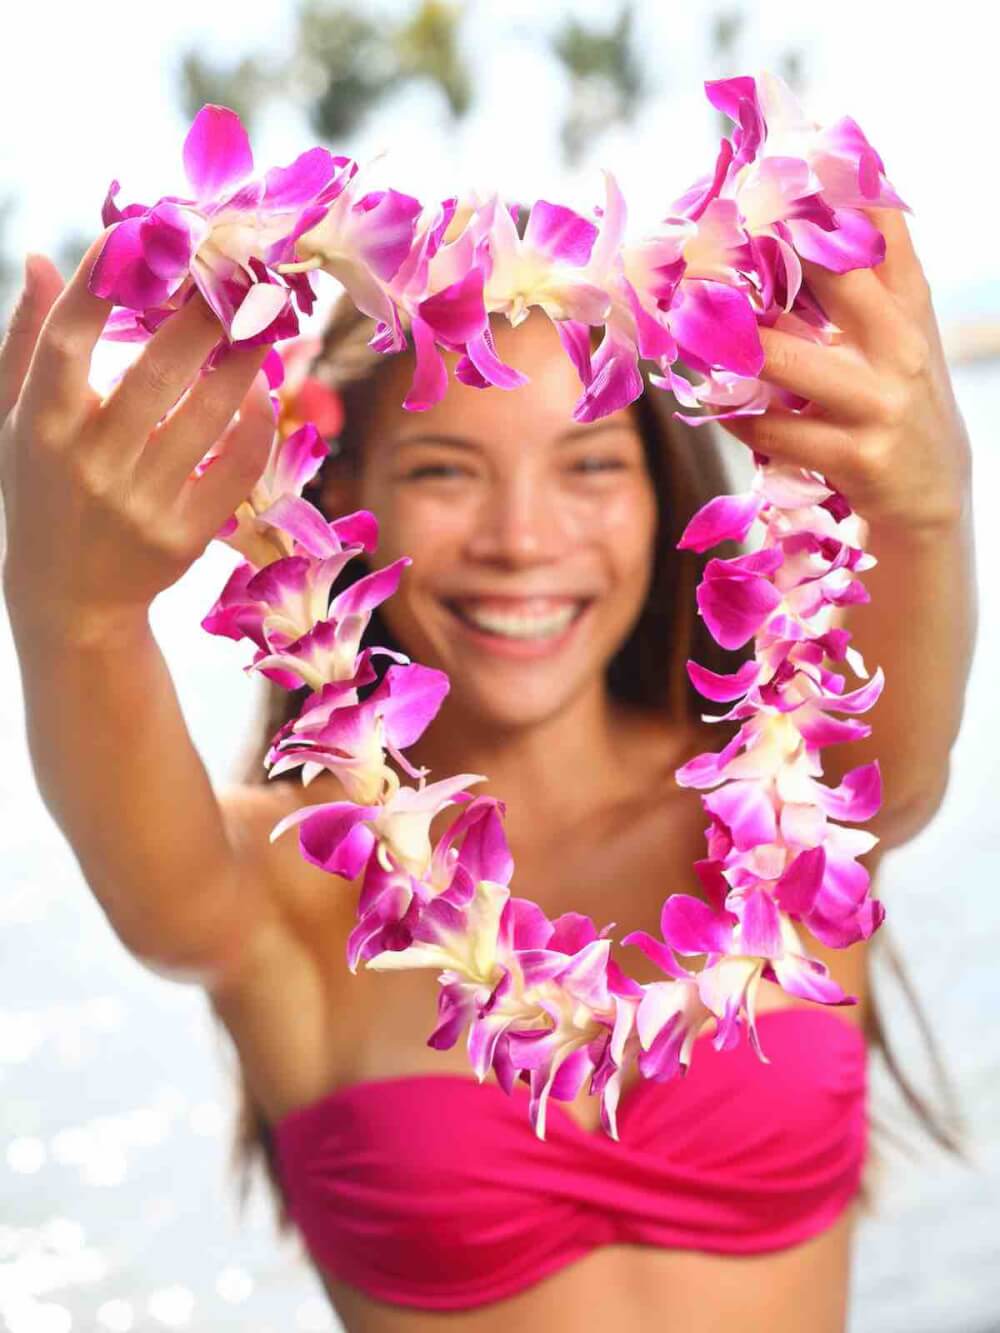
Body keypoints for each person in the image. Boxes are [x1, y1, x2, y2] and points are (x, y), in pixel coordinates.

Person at [0, 203, 975, 1332]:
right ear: (344, 494)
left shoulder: (789, 802)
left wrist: (929, 505)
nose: (523, 536)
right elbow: (156, 897)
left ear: (664, 490)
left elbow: (902, 774)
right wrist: (73, 611)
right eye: (448, 469)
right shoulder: (281, 890)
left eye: (591, 462)